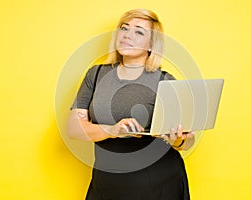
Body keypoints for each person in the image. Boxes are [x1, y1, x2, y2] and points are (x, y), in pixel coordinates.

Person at [67, 8, 195, 200]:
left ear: (152, 44)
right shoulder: (95, 75)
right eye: (124, 28)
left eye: (139, 32)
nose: (128, 35)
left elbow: (187, 140)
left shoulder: (165, 81)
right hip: (107, 181)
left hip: (158, 182)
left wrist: (178, 140)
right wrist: (112, 130)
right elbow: (74, 128)